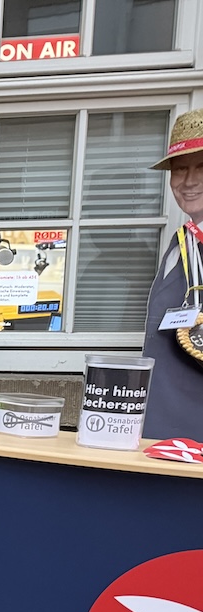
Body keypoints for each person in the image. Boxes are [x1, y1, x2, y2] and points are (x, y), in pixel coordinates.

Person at [142, 107, 203, 441]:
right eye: (179, 169)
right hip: (164, 429)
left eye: (201, 167)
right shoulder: (183, 240)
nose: (189, 181)